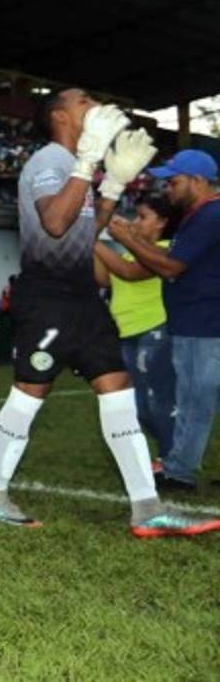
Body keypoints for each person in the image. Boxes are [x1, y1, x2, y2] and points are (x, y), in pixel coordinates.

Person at [0, 90, 218, 537]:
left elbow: (85, 233)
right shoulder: (50, 160)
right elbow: (55, 224)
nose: (94, 105)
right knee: (28, 395)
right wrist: (86, 164)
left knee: (118, 390)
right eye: (83, 101)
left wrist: (113, 185)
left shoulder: (75, 166)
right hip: (47, 297)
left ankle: (147, 508)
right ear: (61, 116)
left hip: (83, 299)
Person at [108, 150, 220, 491]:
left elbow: (171, 267)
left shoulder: (211, 215)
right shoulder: (199, 215)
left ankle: (179, 471)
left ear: (198, 181)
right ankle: (177, 467)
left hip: (205, 323)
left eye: (174, 182)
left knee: (194, 400)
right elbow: (171, 260)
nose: (168, 189)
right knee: (193, 399)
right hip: (195, 322)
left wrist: (127, 239)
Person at [93, 197, 179, 464]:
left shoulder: (166, 249)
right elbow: (104, 278)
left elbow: (129, 272)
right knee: (139, 407)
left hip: (154, 330)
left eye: (143, 217)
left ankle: (172, 459)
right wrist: (94, 243)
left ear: (162, 223)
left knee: (158, 402)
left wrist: (92, 240)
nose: (135, 222)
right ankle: (169, 453)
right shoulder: (134, 251)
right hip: (128, 332)